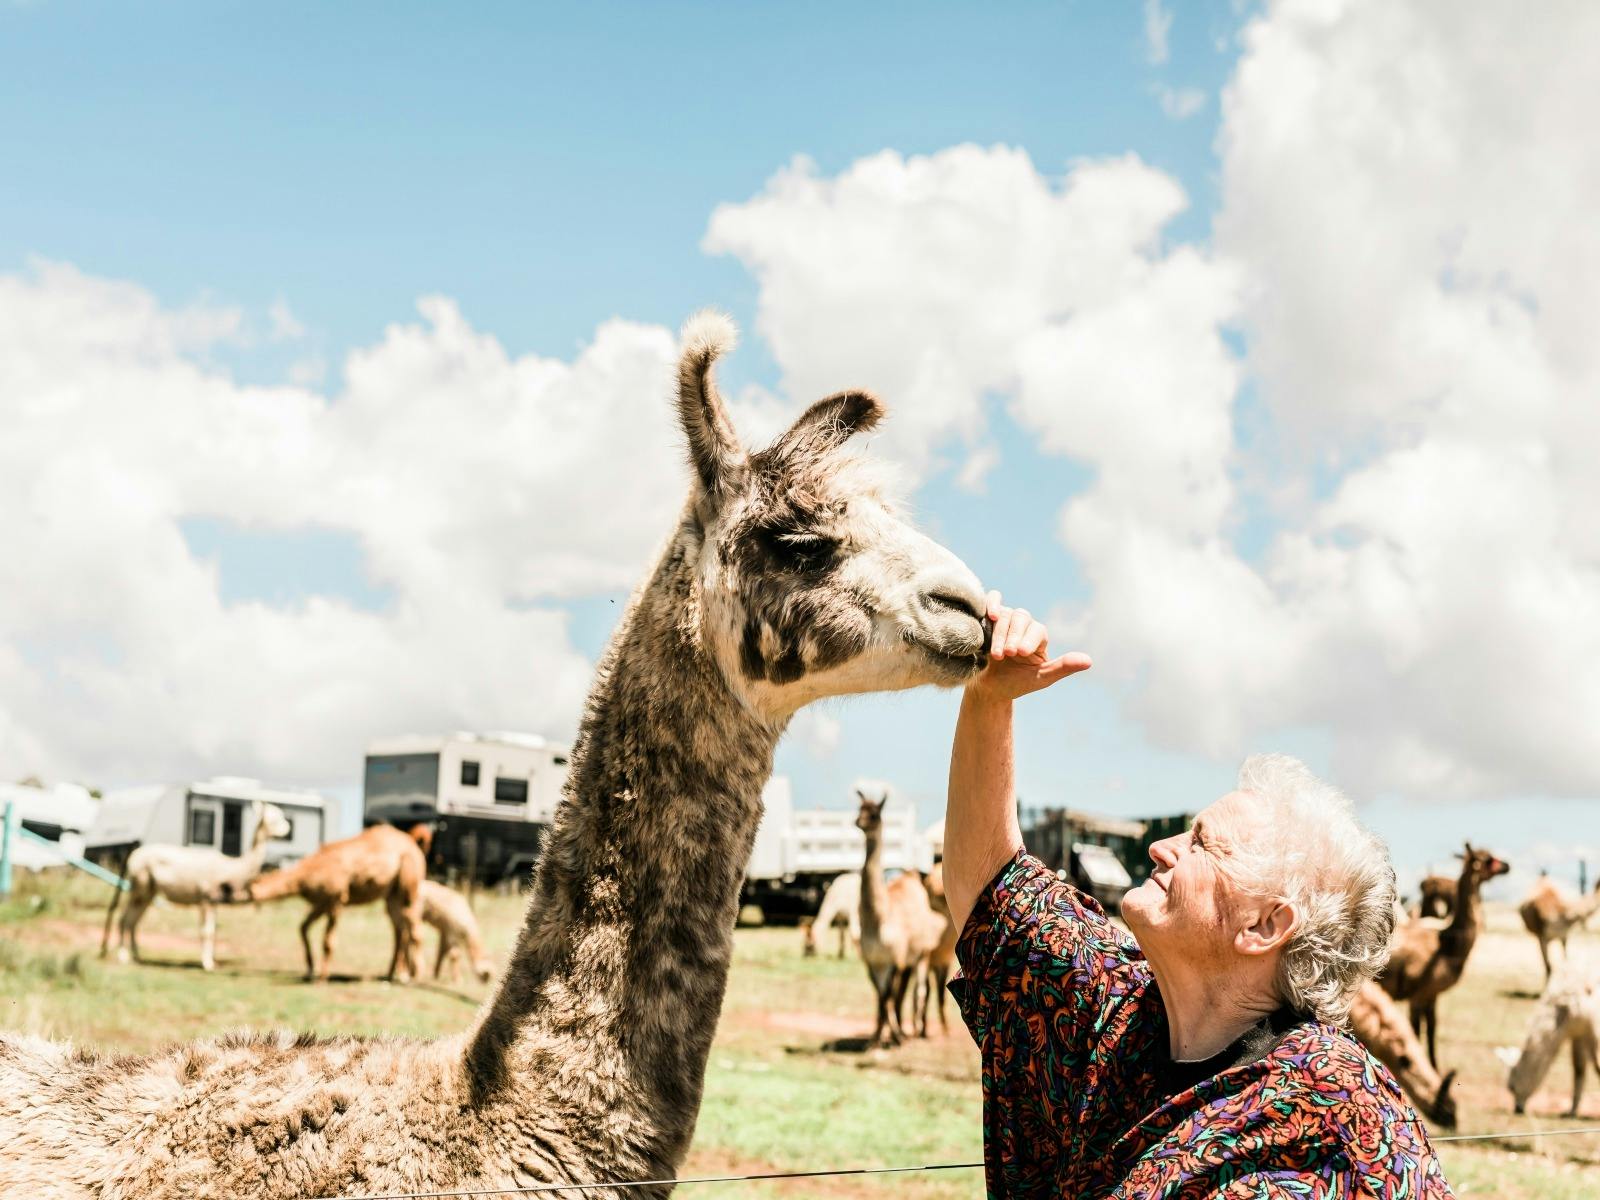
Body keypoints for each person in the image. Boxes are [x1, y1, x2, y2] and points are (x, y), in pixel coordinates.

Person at [943, 593, 1454, 1198]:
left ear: (1264, 925)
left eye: (1202, 844)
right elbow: (991, 891)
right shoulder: (1120, 1011)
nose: (1162, 847)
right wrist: (989, 697)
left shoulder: (1340, 1127)